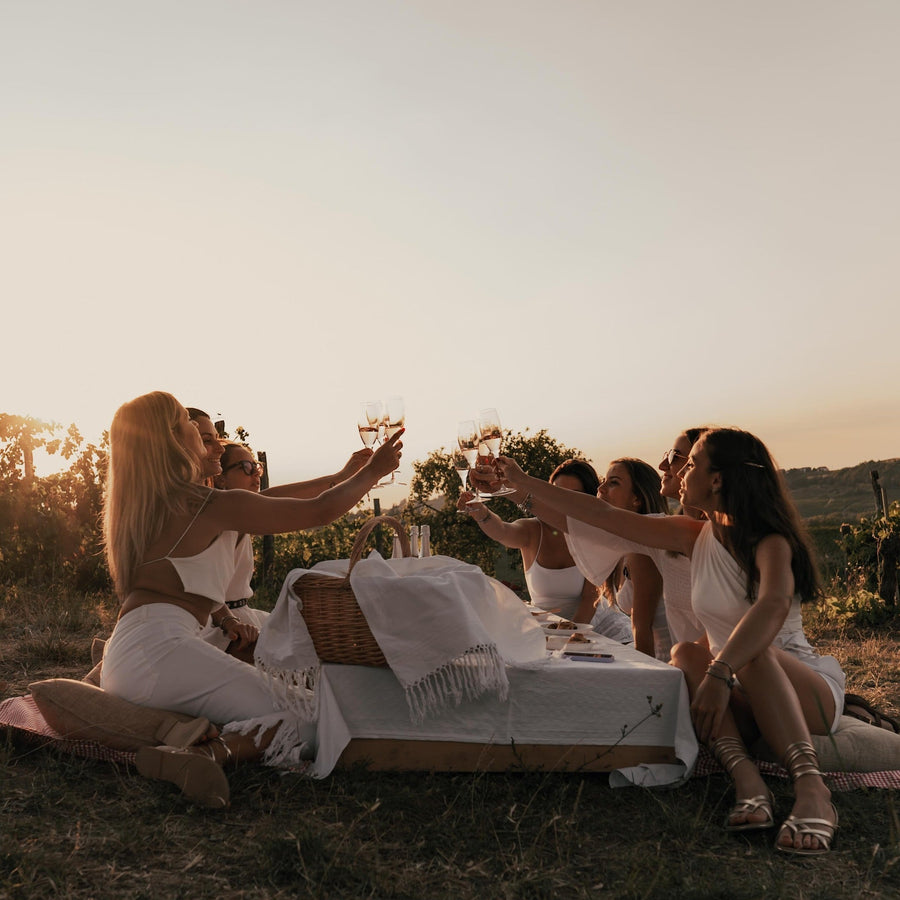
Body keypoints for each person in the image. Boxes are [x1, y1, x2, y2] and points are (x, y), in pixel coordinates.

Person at [492, 428, 843, 857]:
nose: (680, 471)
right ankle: (746, 779)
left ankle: (812, 789)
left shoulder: (769, 541)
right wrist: (522, 482)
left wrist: (719, 670)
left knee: (745, 651)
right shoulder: (695, 537)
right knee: (684, 652)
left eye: (691, 463)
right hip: (733, 683)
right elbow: (599, 516)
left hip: (800, 687)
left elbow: (770, 608)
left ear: (717, 480)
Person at [100, 391, 402, 807]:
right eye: (191, 425)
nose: (207, 436)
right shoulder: (201, 504)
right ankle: (197, 755)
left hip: (130, 656)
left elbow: (276, 498)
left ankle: (195, 742)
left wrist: (343, 474)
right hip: (160, 655)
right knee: (312, 715)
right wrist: (373, 472)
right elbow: (318, 512)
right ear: (173, 437)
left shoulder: (142, 508)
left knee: (292, 700)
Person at [458, 459, 632, 643]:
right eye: (556, 493)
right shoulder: (532, 531)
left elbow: (590, 599)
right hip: (549, 633)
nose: (561, 502)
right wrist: (480, 512)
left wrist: (568, 640)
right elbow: (501, 531)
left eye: (572, 495)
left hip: (601, 631)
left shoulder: (593, 536)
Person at [594, 458, 672, 661]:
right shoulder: (624, 545)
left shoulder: (643, 551)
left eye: (613, 483)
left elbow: (642, 628)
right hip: (650, 651)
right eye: (604, 480)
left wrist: (642, 682)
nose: (601, 488)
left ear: (636, 499)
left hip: (665, 661)